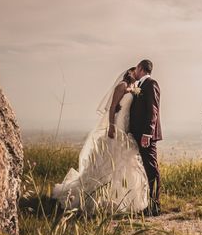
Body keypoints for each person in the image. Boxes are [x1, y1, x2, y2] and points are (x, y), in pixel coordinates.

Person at [52, 67, 149, 214]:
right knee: (108, 161)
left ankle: (121, 198)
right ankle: (93, 195)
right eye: (133, 71)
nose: (136, 74)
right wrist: (111, 126)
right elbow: (112, 107)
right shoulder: (121, 86)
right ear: (129, 73)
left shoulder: (132, 88)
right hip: (117, 125)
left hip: (126, 125)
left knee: (124, 163)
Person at [129, 59, 162, 216]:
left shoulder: (151, 84)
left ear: (141, 68)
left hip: (146, 135)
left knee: (151, 169)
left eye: (136, 68)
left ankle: (155, 205)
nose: (134, 71)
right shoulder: (140, 85)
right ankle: (145, 203)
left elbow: (153, 110)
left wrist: (147, 134)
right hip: (138, 134)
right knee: (144, 168)